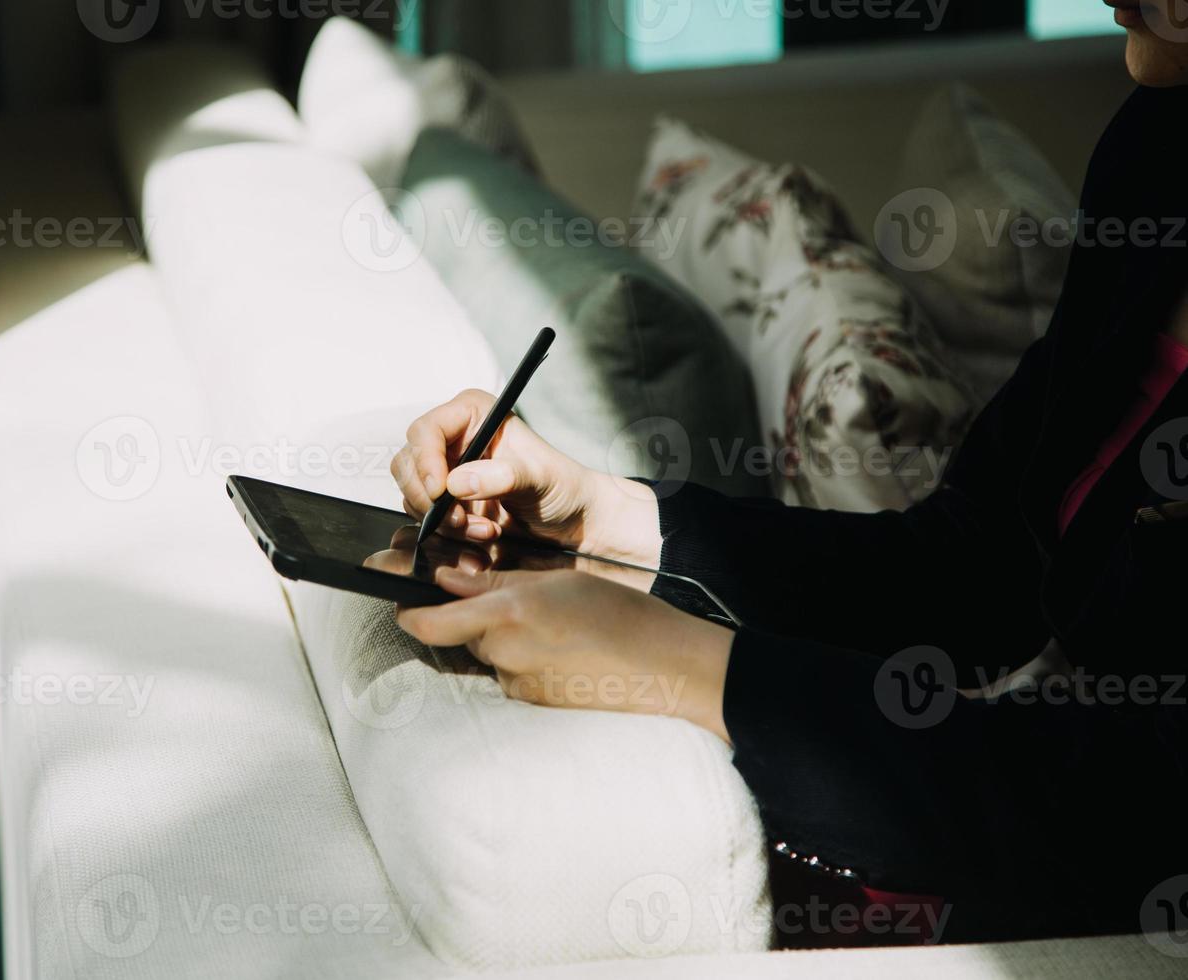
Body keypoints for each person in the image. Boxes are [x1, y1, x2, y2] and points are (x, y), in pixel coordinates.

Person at [392, 2, 1188, 945]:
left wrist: (683, 666)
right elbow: (980, 566)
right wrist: (604, 520)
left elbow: (1143, 799)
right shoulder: (1157, 154)